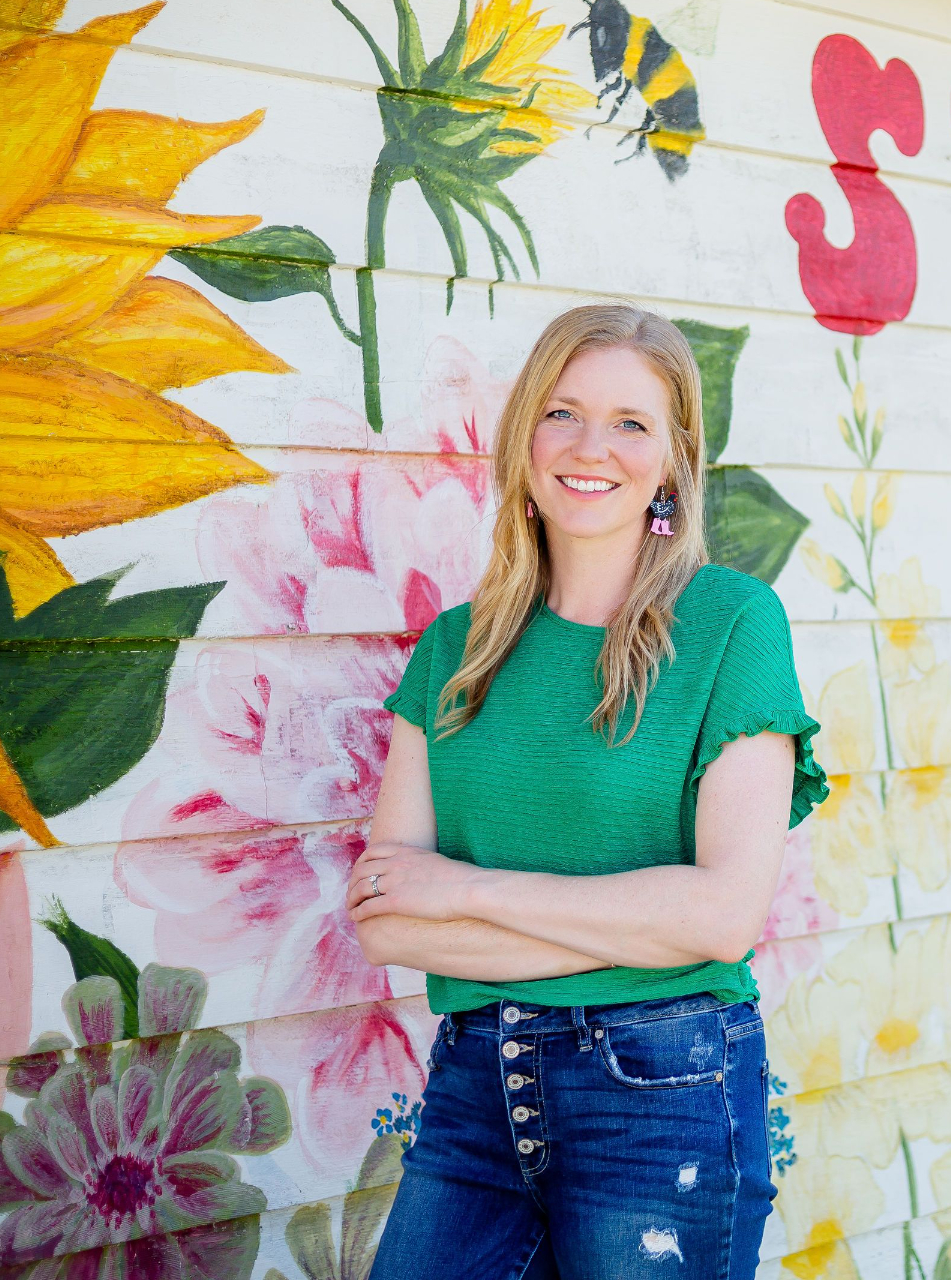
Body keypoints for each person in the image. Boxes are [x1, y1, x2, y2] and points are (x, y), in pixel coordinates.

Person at [350, 303, 825, 1279]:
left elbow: (723, 916)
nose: (590, 447)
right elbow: (390, 924)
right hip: (474, 1087)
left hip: (661, 1095)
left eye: (631, 423)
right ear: (524, 436)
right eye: (562, 413)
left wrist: (465, 891)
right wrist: (638, 926)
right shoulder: (454, 650)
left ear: (672, 460)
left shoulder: (732, 623)